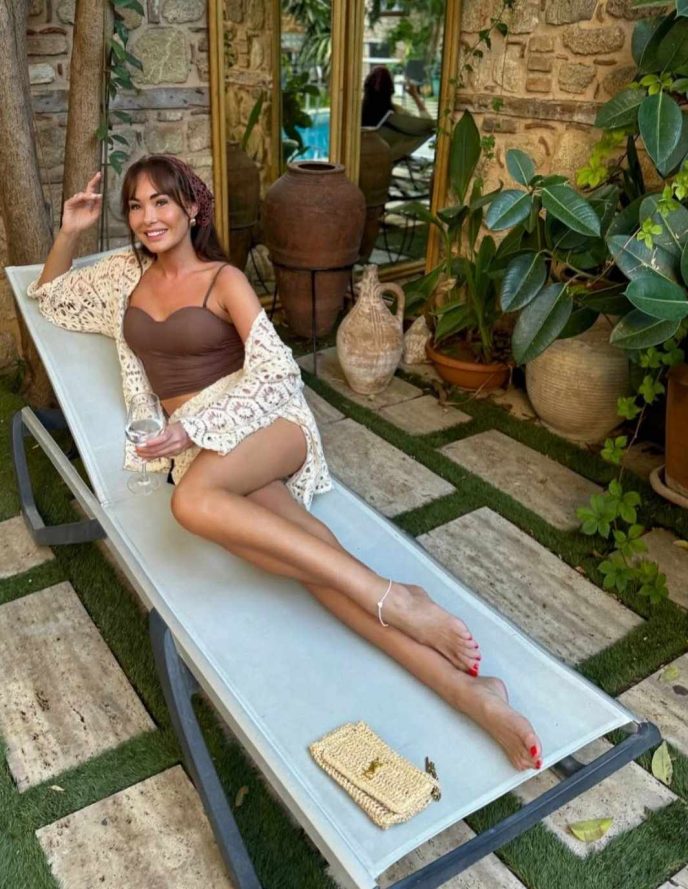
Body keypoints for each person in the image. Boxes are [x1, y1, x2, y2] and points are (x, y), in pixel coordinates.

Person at [29, 154, 542, 771]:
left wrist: (193, 425)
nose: (147, 217)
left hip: (264, 424)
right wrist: (69, 231)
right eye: (135, 206)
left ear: (192, 207)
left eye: (161, 201)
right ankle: (472, 693)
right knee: (312, 565)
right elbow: (50, 298)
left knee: (191, 502)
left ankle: (393, 597)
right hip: (204, 452)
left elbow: (276, 372)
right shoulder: (122, 278)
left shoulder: (224, 280)